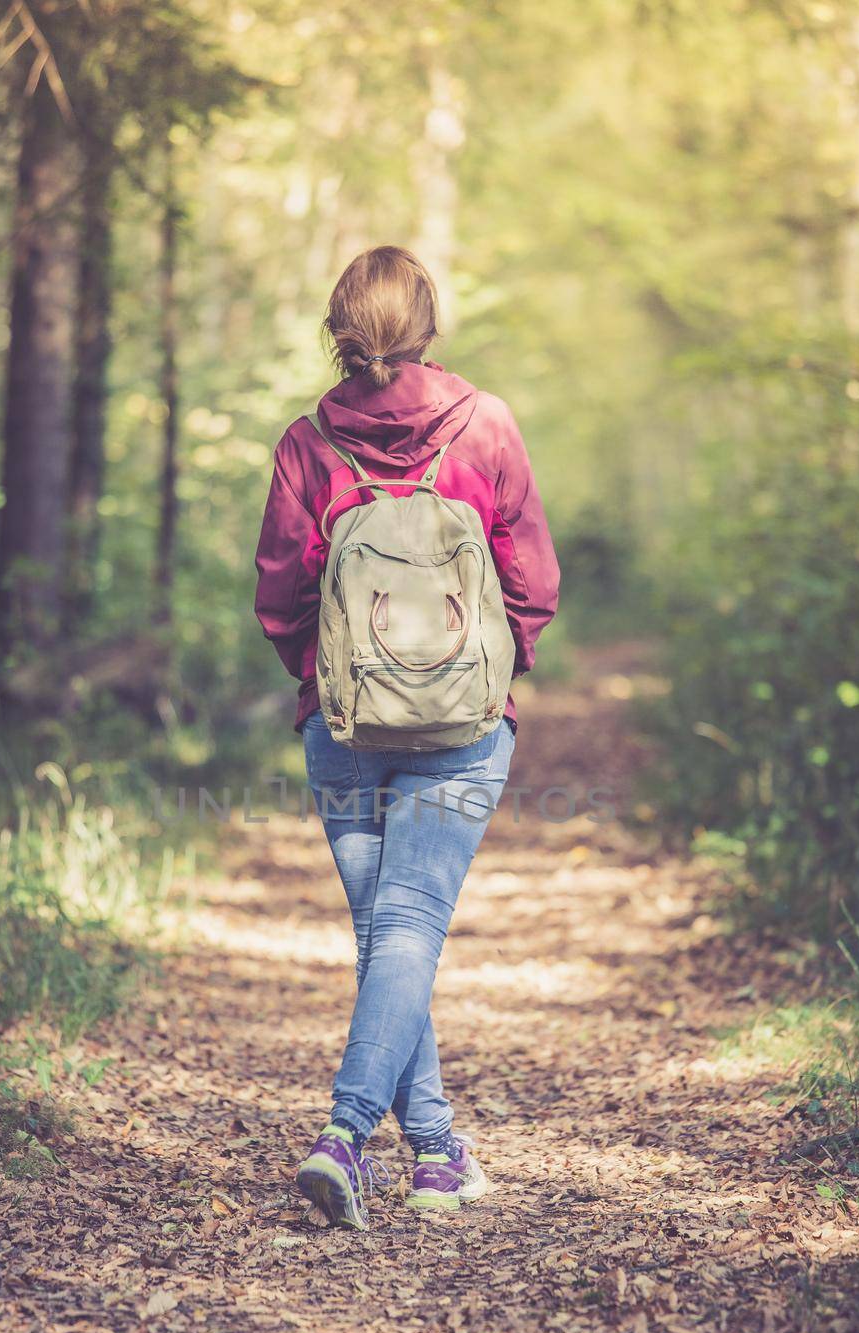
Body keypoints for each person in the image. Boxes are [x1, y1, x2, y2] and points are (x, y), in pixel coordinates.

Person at [254, 245, 559, 1229]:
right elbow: (531, 585)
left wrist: (324, 681)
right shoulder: (485, 425)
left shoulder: (307, 443)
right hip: (465, 723)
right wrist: (497, 671)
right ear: (425, 322)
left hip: (342, 724)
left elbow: (281, 597)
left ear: (340, 326)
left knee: (388, 934)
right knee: (408, 930)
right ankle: (352, 1136)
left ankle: (432, 1149)